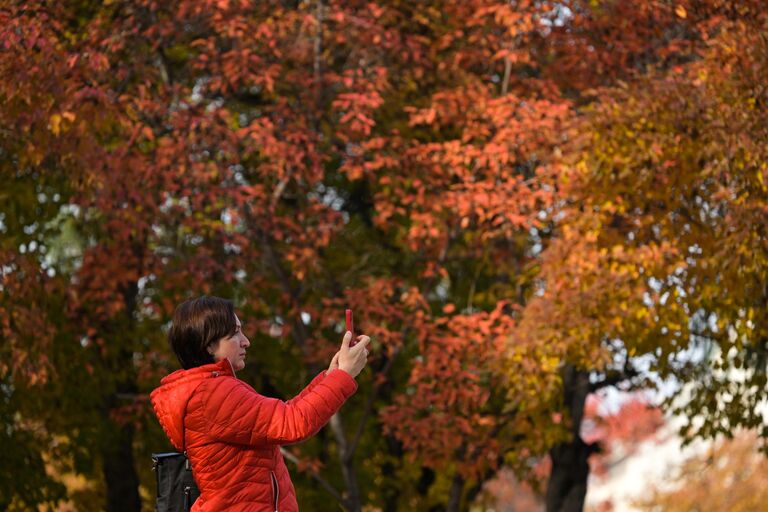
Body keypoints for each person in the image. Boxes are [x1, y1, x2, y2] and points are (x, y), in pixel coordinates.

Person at [150, 296, 370, 511]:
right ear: (209, 345)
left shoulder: (210, 390)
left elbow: (283, 414)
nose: (246, 341)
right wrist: (343, 375)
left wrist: (331, 376)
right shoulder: (213, 394)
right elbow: (293, 422)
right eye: (235, 333)